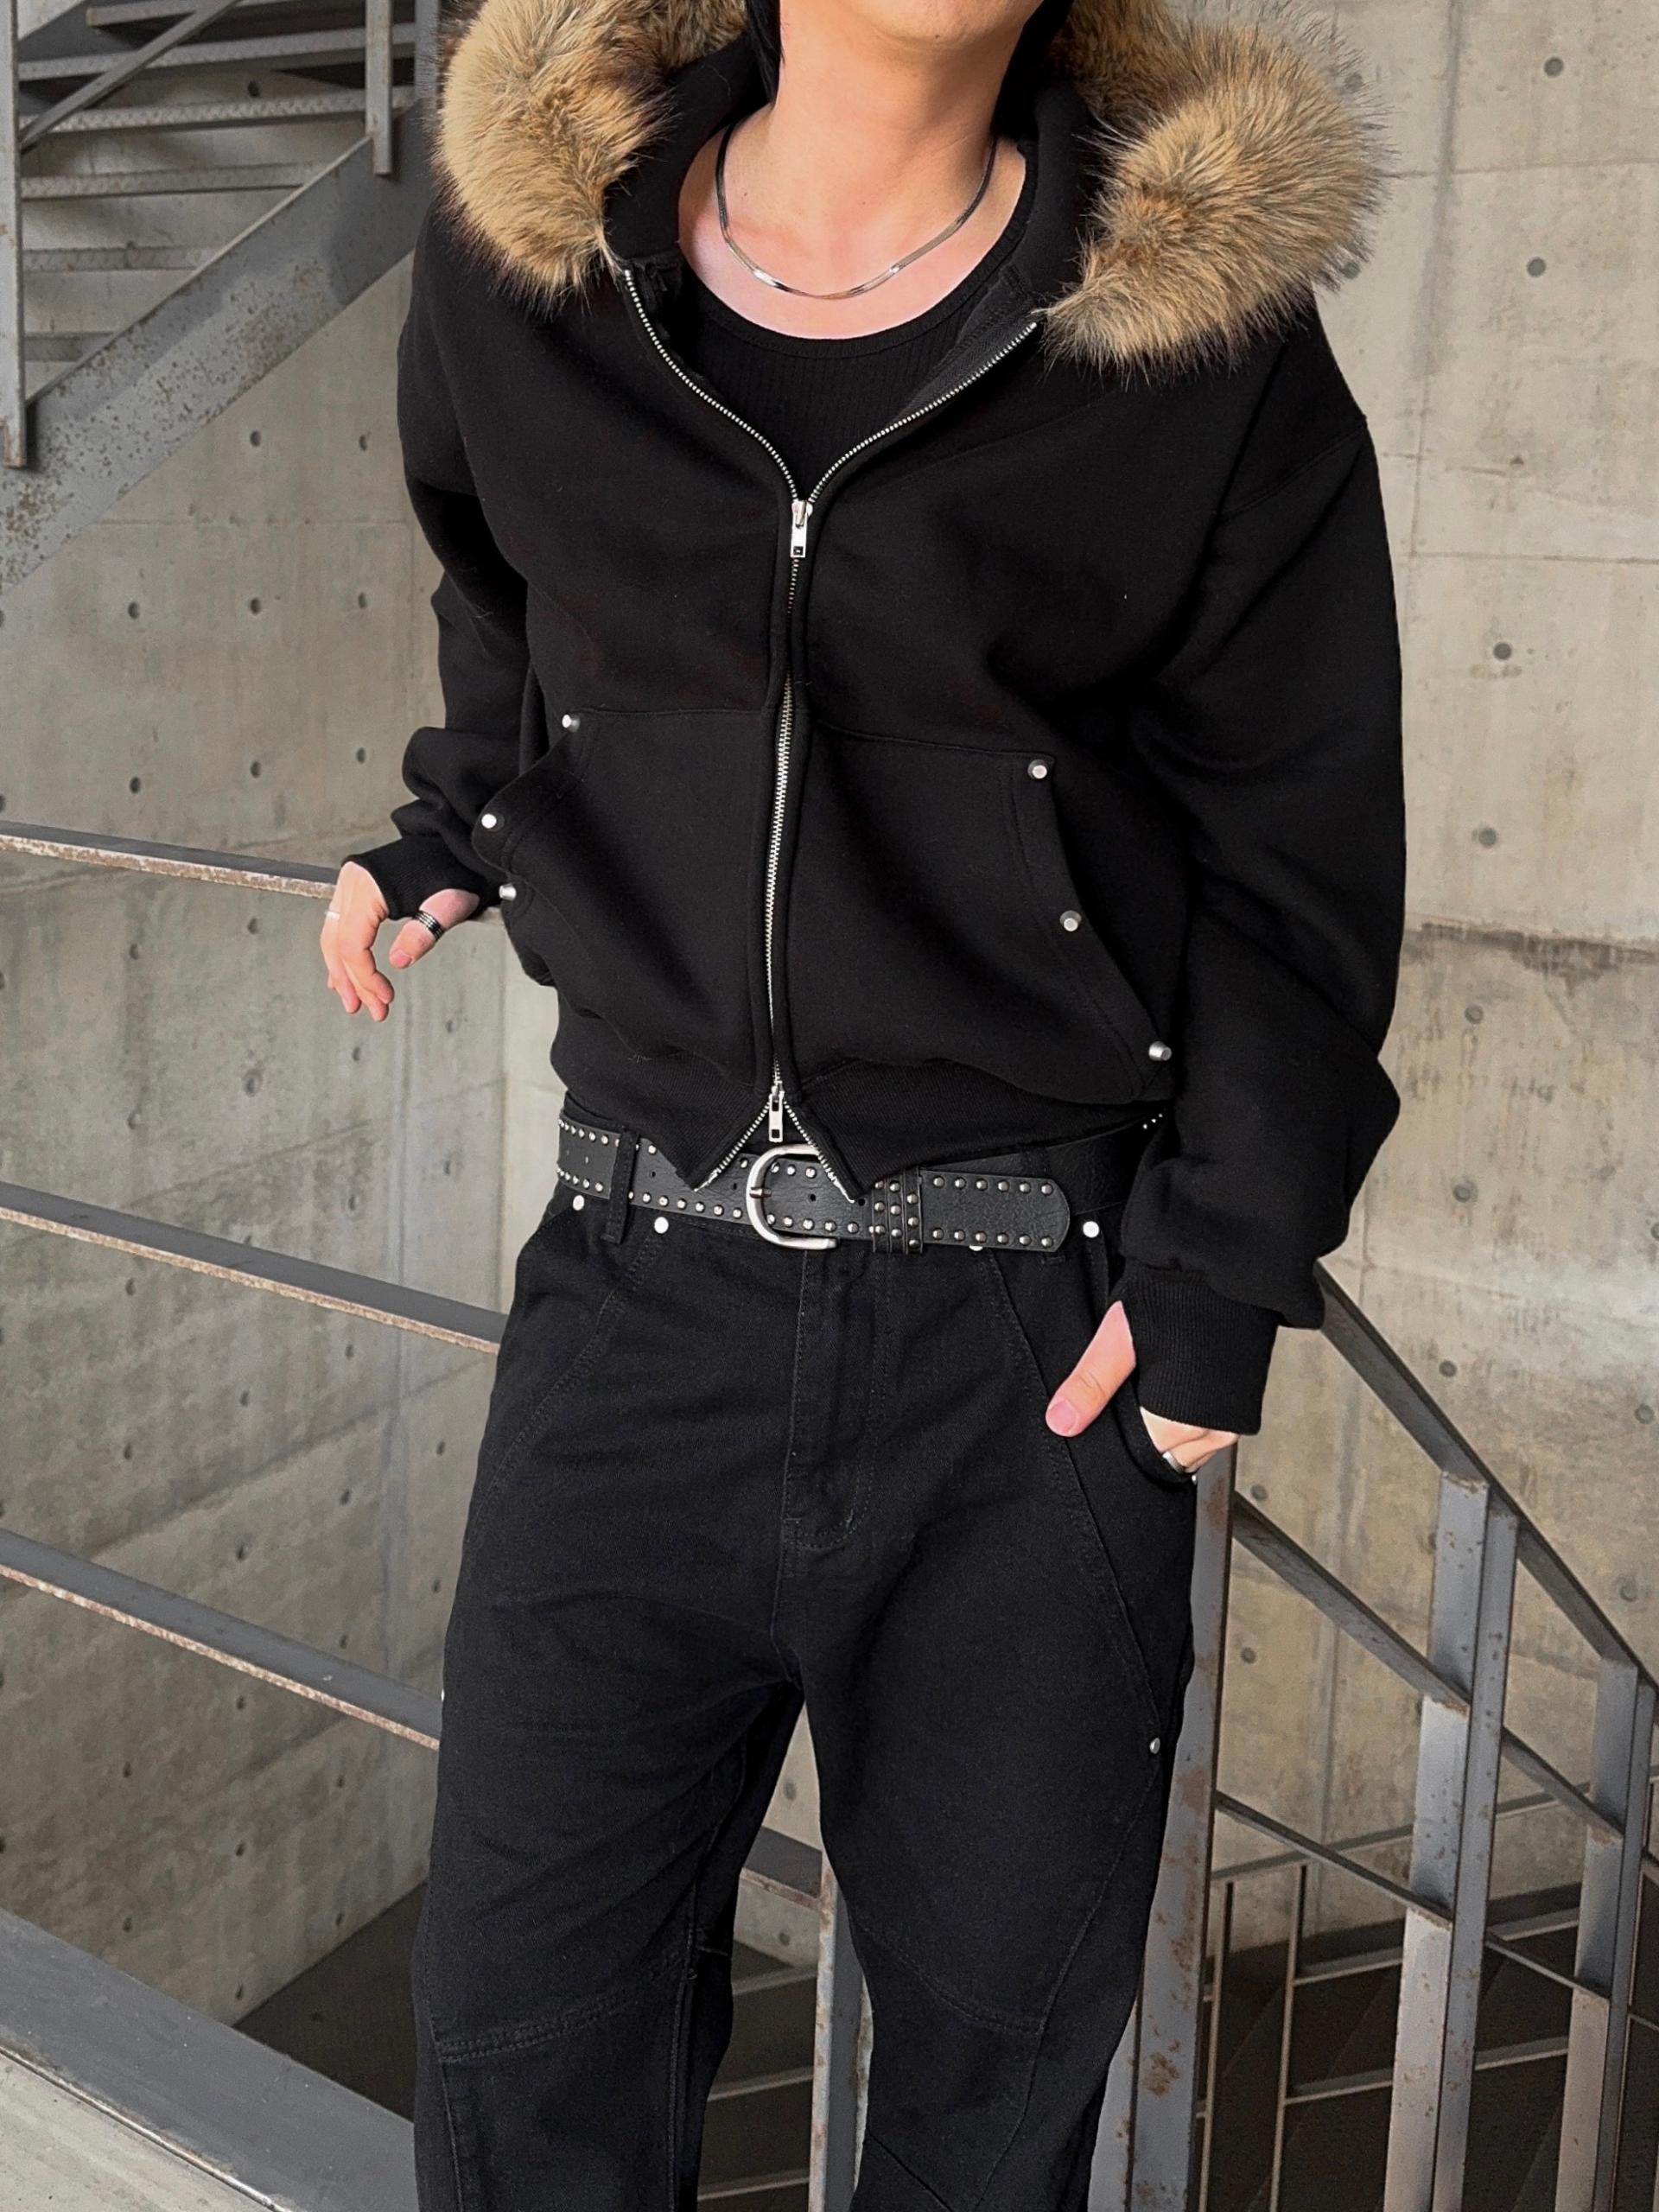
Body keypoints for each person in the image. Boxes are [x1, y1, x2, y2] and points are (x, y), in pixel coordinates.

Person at [320, 0, 1403, 2201]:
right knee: (522, 2058)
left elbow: (1296, 836)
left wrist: (1224, 1273)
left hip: (1028, 1353)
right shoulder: (530, 265)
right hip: (635, 1306)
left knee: (991, 2107)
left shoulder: (1196, 341)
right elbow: (509, 596)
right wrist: (464, 816)